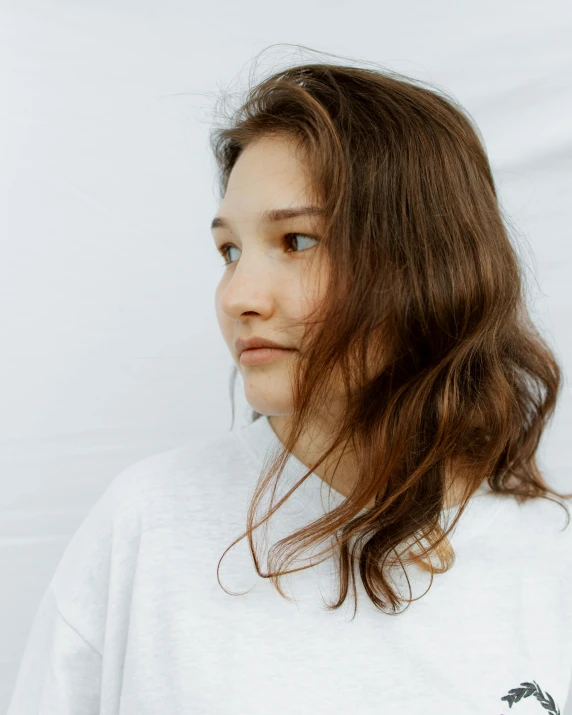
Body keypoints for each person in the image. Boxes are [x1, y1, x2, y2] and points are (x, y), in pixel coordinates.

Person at [8, 56, 572, 715]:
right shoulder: (149, 525)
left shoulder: (550, 556)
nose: (238, 295)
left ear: (428, 264)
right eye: (230, 251)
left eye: (297, 240)